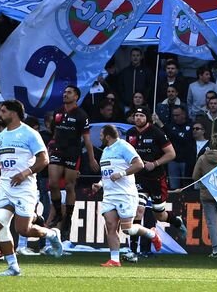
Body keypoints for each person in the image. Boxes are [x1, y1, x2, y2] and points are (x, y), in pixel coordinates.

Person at [0, 99, 63, 276]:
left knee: (23, 230)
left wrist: (24, 173)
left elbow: (44, 159)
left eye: (3, 111)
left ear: (14, 113)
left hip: (24, 187)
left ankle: (51, 234)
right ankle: (13, 267)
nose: (0, 114)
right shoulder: (1, 137)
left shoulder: (30, 134)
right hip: (5, 186)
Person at [95, 124, 161, 266]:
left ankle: (152, 234)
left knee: (127, 229)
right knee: (110, 225)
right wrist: (100, 184)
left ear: (107, 136)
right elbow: (107, 172)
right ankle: (114, 259)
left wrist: (122, 173)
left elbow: (139, 164)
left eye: (101, 135)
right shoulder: (105, 150)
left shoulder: (124, 146)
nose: (100, 138)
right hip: (109, 195)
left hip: (125, 194)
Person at [46, 85, 97, 243]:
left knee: (69, 186)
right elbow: (55, 132)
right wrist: (51, 145)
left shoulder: (81, 115)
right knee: (53, 184)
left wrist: (92, 158)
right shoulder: (58, 112)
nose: (65, 94)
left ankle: (67, 218)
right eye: (64, 92)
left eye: (69, 92)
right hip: (57, 151)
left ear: (76, 97)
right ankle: (58, 213)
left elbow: (87, 139)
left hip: (73, 153)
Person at [128, 106, 178, 260]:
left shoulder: (157, 133)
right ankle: (132, 250)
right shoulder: (130, 133)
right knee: (138, 210)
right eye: (136, 115)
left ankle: (177, 222)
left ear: (147, 118)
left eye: (141, 115)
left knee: (160, 214)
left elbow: (171, 154)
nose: (138, 118)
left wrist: (155, 163)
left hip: (156, 179)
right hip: (139, 178)